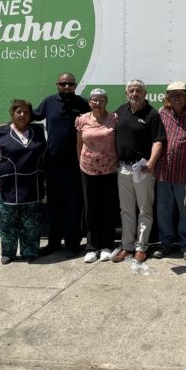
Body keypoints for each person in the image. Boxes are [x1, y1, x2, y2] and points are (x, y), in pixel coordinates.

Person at [32, 72, 90, 256]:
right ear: (57, 84)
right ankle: (53, 244)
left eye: (70, 84)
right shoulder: (49, 102)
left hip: (76, 166)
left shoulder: (82, 104)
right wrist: (7, 127)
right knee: (54, 208)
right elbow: (30, 117)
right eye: (63, 84)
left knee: (74, 208)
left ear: (75, 86)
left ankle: (72, 245)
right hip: (53, 165)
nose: (66, 87)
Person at [0, 99, 46, 264]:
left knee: (31, 221)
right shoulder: (1, 133)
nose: (22, 115)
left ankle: (30, 251)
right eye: (19, 112)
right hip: (8, 184)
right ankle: (8, 253)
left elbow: (44, 156)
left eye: (26, 112)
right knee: (8, 221)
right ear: (12, 114)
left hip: (32, 183)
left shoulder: (38, 131)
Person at [113, 79, 166, 263]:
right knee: (126, 209)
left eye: (138, 90)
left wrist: (151, 163)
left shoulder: (152, 114)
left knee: (145, 209)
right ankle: (127, 246)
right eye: (131, 90)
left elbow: (158, 141)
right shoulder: (121, 111)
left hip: (143, 168)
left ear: (145, 93)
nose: (134, 93)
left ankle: (141, 247)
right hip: (124, 168)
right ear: (126, 93)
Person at [153, 82, 186, 260]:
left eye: (180, 95)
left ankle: (185, 244)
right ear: (167, 97)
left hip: (184, 171)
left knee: (185, 211)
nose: (177, 98)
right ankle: (165, 243)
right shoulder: (162, 113)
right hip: (164, 171)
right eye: (173, 95)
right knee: (164, 210)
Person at [75, 88, 119, 264]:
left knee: (108, 208)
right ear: (89, 102)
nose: (98, 103)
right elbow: (79, 144)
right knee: (91, 208)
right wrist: (81, 163)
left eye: (101, 100)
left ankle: (107, 246)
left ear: (106, 102)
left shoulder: (114, 118)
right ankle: (92, 247)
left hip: (110, 170)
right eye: (94, 100)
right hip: (88, 170)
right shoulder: (82, 120)